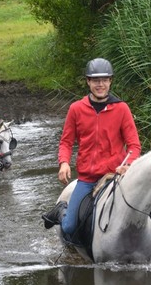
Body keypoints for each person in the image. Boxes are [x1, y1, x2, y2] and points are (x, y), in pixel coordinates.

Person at [42, 57, 142, 240]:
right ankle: (61, 211)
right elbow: (66, 142)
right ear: (88, 81)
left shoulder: (122, 109)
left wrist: (128, 165)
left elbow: (134, 145)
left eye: (104, 80)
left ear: (110, 81)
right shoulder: (76, 109)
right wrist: (64, 163)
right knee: (70, 227)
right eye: (96, 80)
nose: (100, 84)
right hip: (88, 177)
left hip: (116, 175)